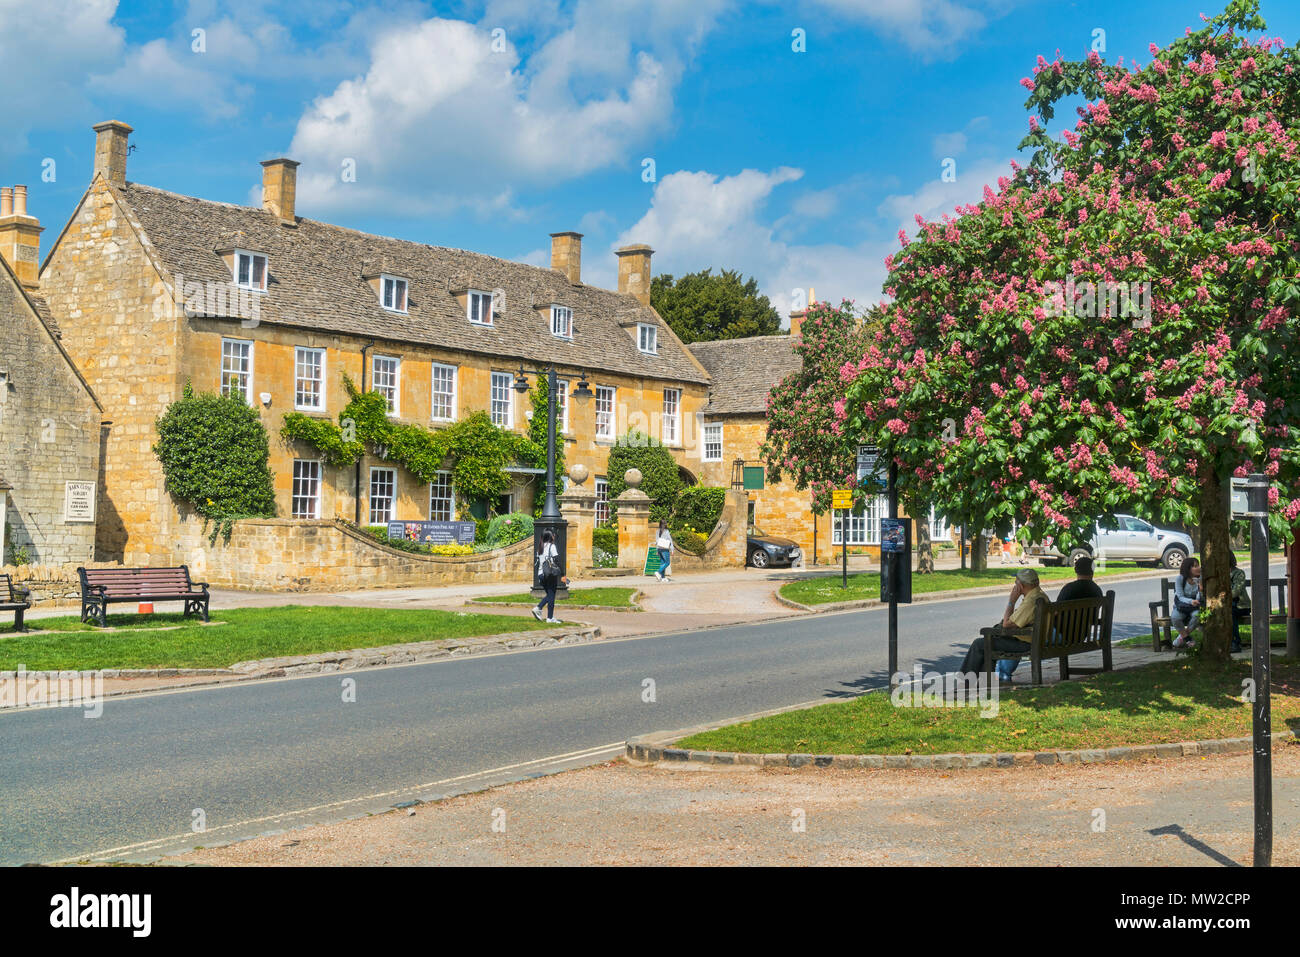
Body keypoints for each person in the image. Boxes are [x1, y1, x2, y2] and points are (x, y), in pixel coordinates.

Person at [999, 556, 1104, 680]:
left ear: (1075, 570)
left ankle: (1001, 675)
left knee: (1020, 635)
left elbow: (1056, 612)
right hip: (1080, 635)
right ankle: (1001, 674)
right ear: (1092, 570)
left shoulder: (1069, 589)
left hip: (1061, 635)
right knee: (1021, 633)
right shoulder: (1097, 591)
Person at [960, 567, 1049, 679]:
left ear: (1020, 585)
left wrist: (1012, 601)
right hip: (1036, 641)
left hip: (1027, 644)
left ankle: (964, 682)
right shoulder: (1040, 595)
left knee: (979, 644)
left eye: (1016, 582)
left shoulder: (1031, 601)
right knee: (988, 642)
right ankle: (983, 682)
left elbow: (1006, 625)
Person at [531, 530, 563, 623]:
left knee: (550, 595)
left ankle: (547, 615)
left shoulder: (540, 547)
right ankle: (543, 612)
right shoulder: (551, 546)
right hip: (549, 574)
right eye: (553, 535)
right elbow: (556, 559)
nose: (554, 536)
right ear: (550, 537)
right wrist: (562, 572)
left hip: (541, 574)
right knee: (551, 595)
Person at [1171, 556, 1202, 648]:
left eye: (1198, 565)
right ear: (1188, 568)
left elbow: (1200, 597)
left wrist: (1200, 589)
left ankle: (1182, 638)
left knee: (1197, 615)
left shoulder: (1201, 579)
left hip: (1196, 606)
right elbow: (1180, 596)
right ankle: (1187, 639)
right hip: (1183, 605)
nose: (1198, 568)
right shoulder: (1180, 579)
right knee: (1175, 617)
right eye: (1195, 566)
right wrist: (1191, 601)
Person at [1229, 553, 1250, 654]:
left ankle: (1235, 643)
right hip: (1228, 606)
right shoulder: (1218, 573)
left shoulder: (1239, 573)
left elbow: (1235, 593)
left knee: (1230, 613)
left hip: (1241, 606)